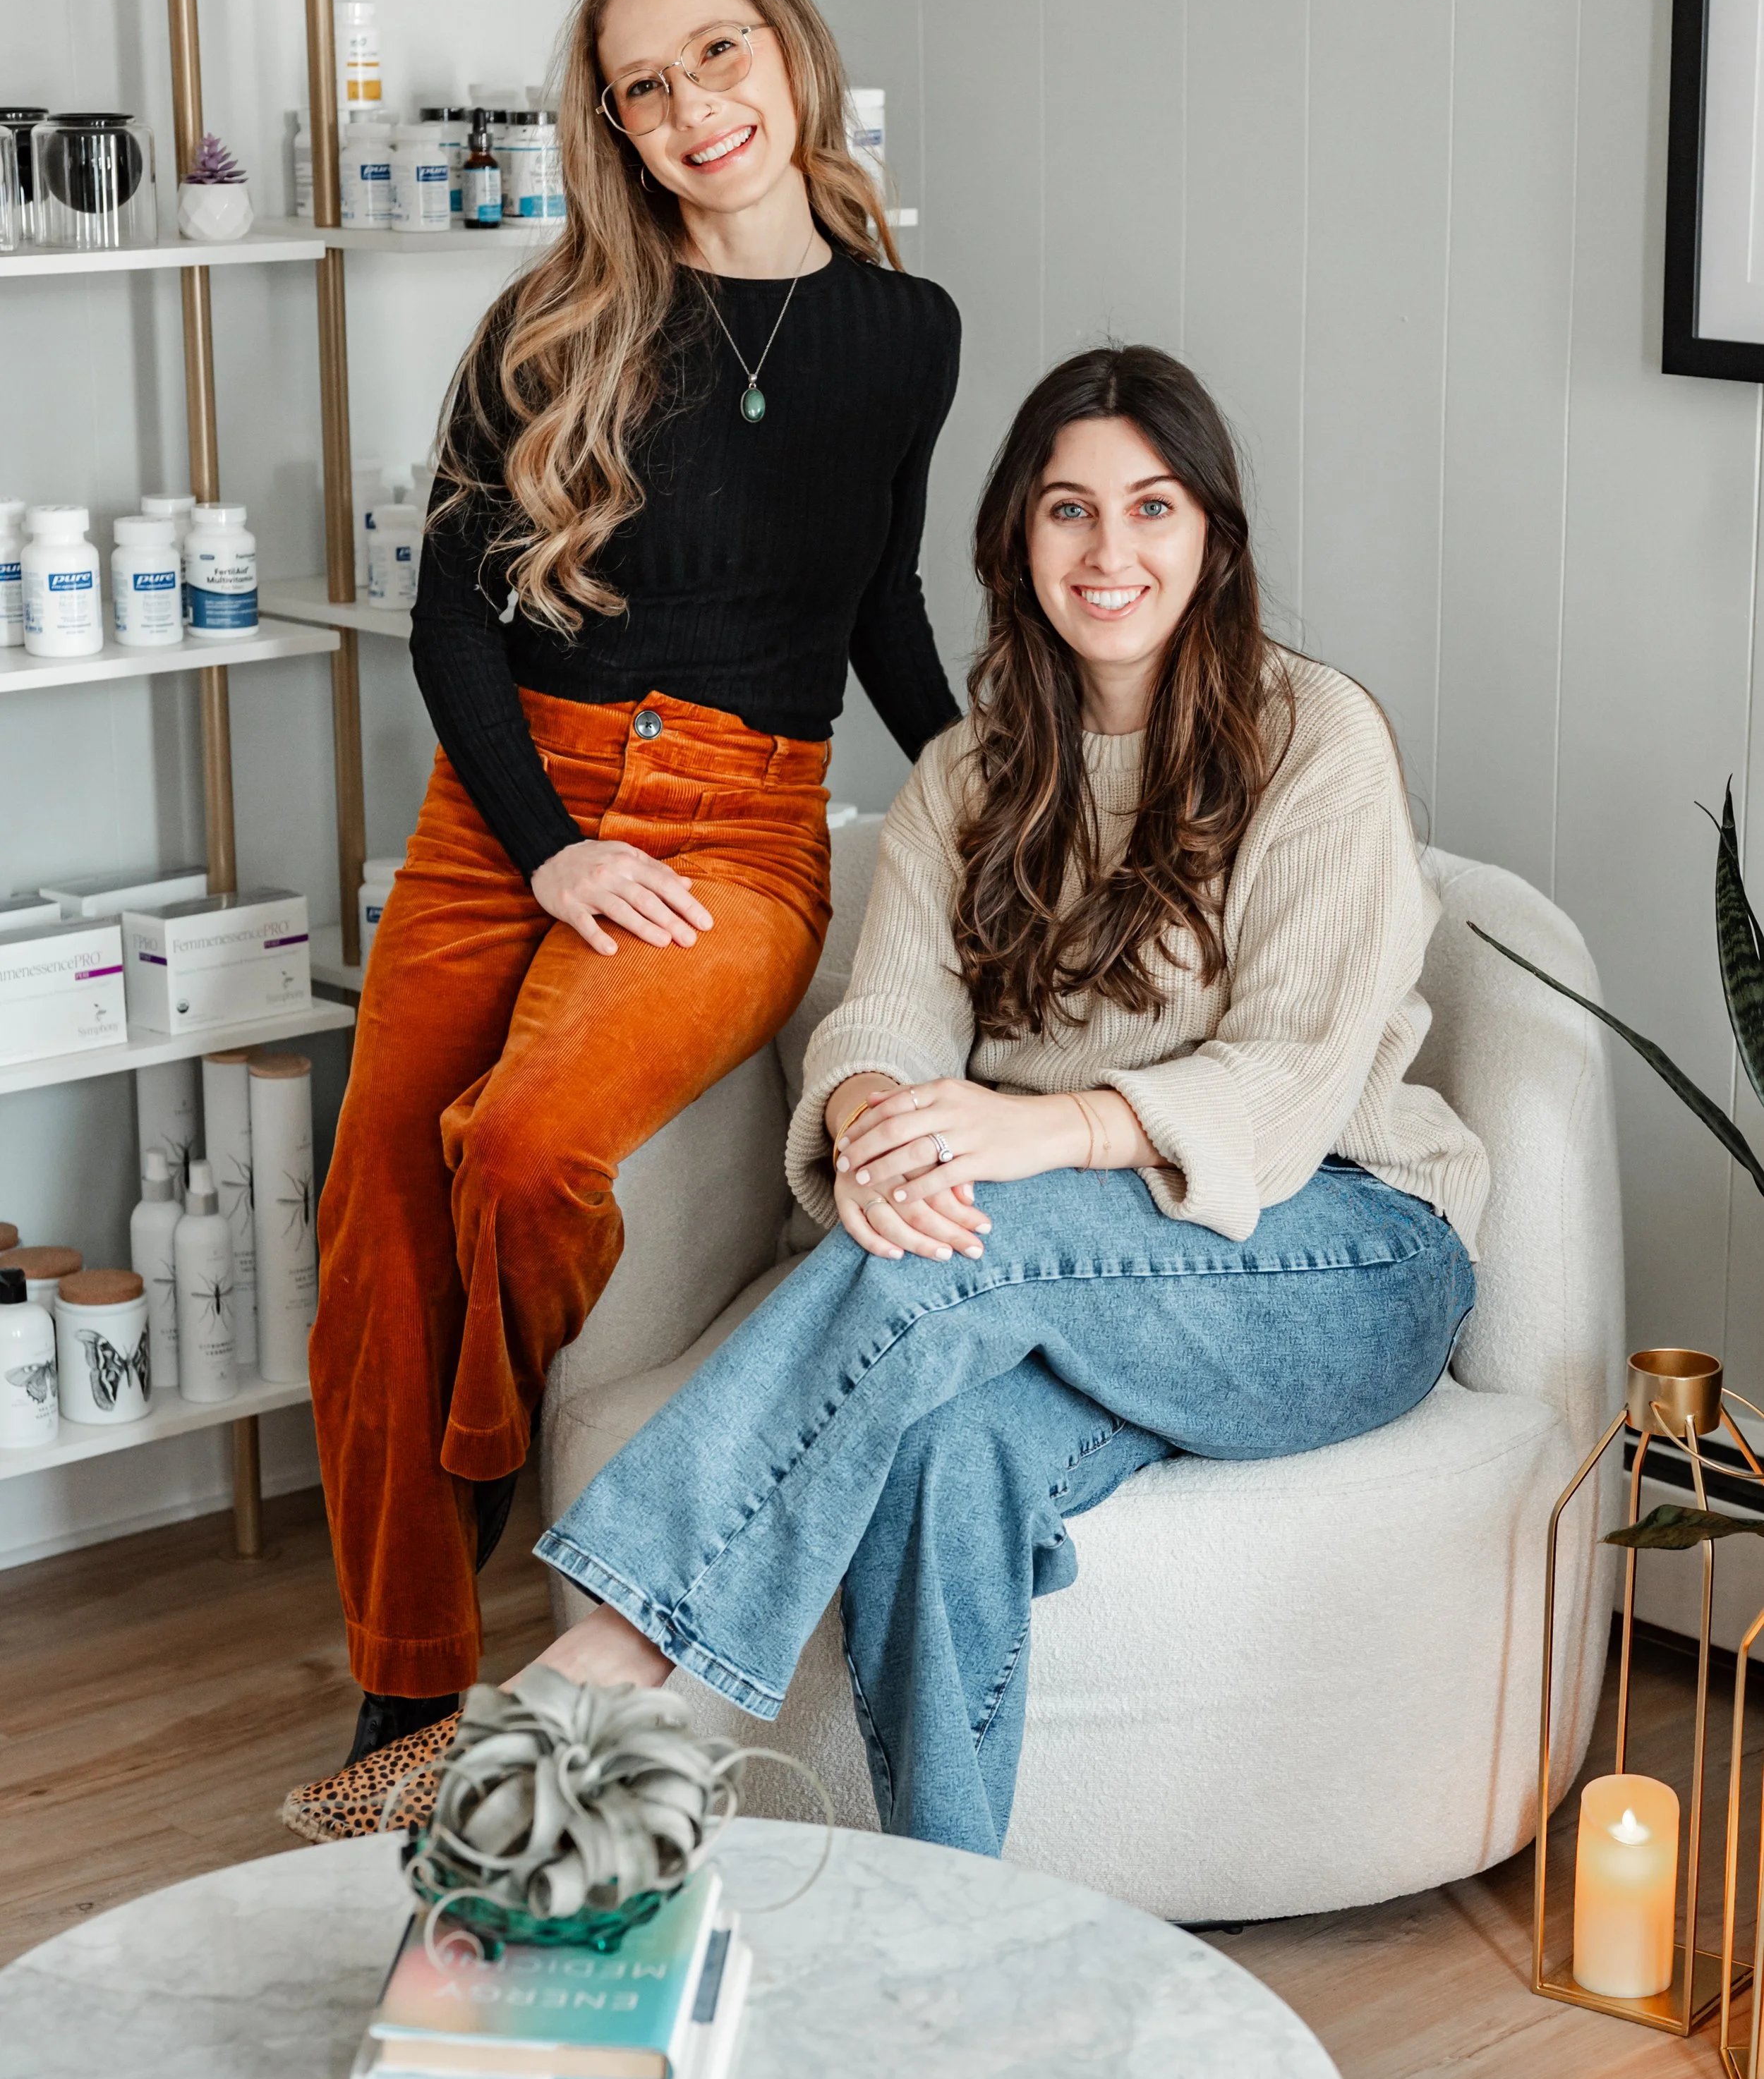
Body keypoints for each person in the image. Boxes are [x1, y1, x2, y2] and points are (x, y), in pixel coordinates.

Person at [505, 341, 1490, 1860]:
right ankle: (947, 1908)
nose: (1111, 553)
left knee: (982, 1240)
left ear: (1212, 537)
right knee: (946, 1456)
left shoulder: (1313, 738)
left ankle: (611, 1650)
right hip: (1070, 1264)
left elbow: (1291, 1077)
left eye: (1153, 509)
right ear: (1011, 541)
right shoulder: (967, 776)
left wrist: (1037, 1132)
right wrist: (876, 1136)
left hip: (1336, 1257)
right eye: (1067, 511)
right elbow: (884, 1016)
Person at [300, 0, 962, 1792]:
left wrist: (991, 795)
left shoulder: (903, 330)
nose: (692, 108)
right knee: (374, 1219)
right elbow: (446, 617)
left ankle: (485, 1444)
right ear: (616, 124)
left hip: (743, 819)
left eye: (717, 54)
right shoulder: (556, 313)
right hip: (510, 806)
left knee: (516, 1147)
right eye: (644, 86)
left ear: (791, 52)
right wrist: (549, 847)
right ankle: (409, 1687)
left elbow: (879, 605)